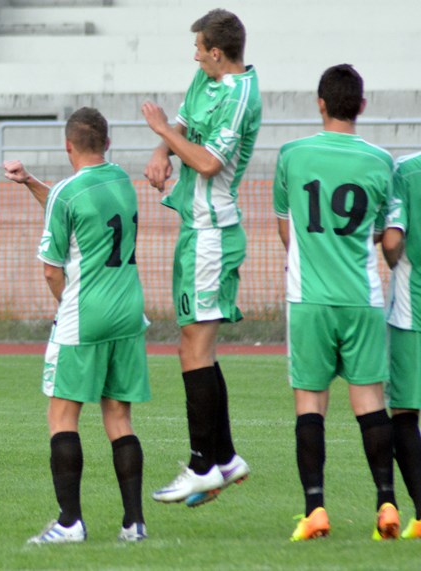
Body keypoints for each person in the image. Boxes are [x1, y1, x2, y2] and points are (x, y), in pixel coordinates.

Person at [7, 107, 151, 544]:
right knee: (118, 417)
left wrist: (65, 306)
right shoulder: (123, 182)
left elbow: (52, 270)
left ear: (67, 145)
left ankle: (70, 523)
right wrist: (34, 183)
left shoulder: (67, 194)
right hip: (129, 313)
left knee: (61, 416)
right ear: (107, 143)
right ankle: (134, 523)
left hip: (85, 315)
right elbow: (77, 212)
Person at [273, 64, 400, 540]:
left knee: (310, 403)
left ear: (320, 103)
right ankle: (386, 504)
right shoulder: (380, 161)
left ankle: (316, 510)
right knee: (370, 402)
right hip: (363, 297)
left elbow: (286, 230)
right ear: (361, 106)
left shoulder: (292, 154)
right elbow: (387, 237)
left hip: (309, 298)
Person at [140, 8, 260, 506]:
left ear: (218, 52)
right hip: (194, 230)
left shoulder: (241, 95)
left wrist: (164, 133)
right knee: (197, 348)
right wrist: (162, 151)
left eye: (199, 48)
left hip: (213, 234)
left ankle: (201, 465)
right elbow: (186, 123)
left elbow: (209, 162)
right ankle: (226, 459)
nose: (193, 55)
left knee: (192, 350)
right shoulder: (204, 79)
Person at [383, 150, 421, 540]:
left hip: (414, 311)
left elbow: (393, 238)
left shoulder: (407, 171)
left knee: (405, 413)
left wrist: (392, 258)